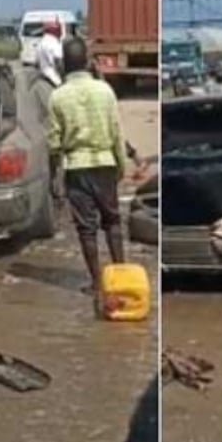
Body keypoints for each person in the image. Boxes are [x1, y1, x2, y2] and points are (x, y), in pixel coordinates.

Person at [47, 37, 129, 312]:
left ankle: (96, 283)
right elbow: (117, 132)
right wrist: (121, 166)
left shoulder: (57, 96)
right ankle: (121, 276)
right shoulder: (104, 91)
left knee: (86, 229)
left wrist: (54, 175)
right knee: (113, 221)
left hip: (76, 167)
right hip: (105, 163)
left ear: (64, 64)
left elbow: (54, 143)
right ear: (86, 61)